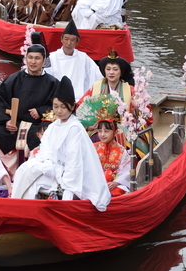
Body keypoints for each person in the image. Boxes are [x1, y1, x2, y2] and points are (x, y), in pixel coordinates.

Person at [11, 76, 111, 210]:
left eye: (63, 107)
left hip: (71, 174)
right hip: (52, 169)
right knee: (25, 170)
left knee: (41, 179)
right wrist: (47, 165)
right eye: (56, 106)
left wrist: (60, 176)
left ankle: (30, 209)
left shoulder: (75, 128)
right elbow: (45, 149)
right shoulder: (53, 126)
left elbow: (74, 162)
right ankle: (19, 207)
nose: (59, 111)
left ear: (71, 107)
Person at [0, 41, 59, 174]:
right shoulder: (12, 80)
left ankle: (29, 174)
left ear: (44, 61)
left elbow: (59, 105)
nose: (33, 62)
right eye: (30, 57)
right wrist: (6, 121)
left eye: (37, 58)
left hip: (38, 124)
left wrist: (41, 111)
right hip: (14, 123)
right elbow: (0, 101)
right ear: (25, 58)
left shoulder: (53, 83)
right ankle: (7, 172)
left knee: (42, 138)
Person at [47, 20, 102, 101]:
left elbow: (97, 75)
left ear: (77, 42)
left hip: (79, 98)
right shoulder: (51, 57)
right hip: (56, 99)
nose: (68, 43)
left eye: (72, 40)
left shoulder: (83, 57)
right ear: (61, 39)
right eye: (66, 39)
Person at [92, 112, 130, 196]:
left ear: (115, 132)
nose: (102, 134)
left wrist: (116, 182)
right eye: (99, 131)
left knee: (116, 192)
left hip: (113, 184)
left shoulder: (121, 151)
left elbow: (127, 170)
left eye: (106, 131)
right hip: (95, 183)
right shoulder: (92, 148)